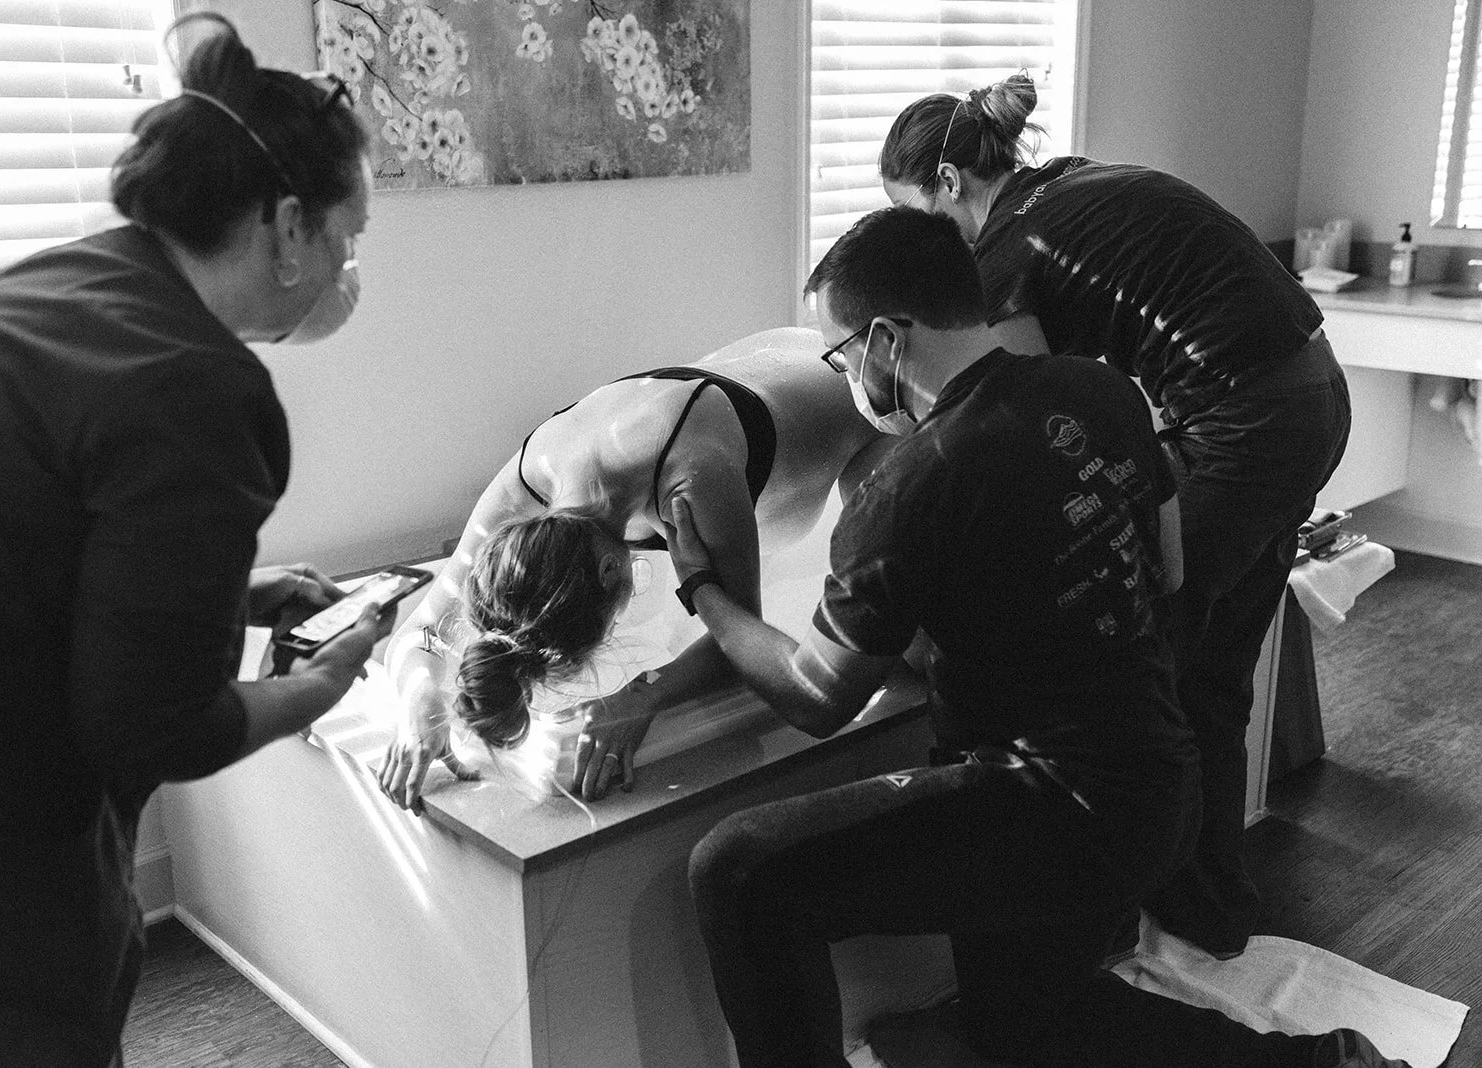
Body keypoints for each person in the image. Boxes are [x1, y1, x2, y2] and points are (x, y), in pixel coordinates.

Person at [668, 207, 1406, 1068]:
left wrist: (704, 588)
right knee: (1024, 1032)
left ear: (885, 341)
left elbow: (817, 696)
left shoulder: (909, 484)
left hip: (1054, 808)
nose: (845, 381)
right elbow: (1168, 569)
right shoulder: (1101, 390)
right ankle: (1334, 1062)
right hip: (1163, 785)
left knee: (738, 868)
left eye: (838, 357)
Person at [0, 14, 386, 1065]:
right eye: (348, 236)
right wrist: (318, 688)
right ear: (289, 227)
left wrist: (228, 596)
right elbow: (151, 728)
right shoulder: (197, 385)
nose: (348, 264)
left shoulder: (80, 282)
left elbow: (25, 525)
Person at [878, 73, 1352, 959]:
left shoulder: (1007, 246)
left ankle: (1105, 916)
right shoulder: (1071, 181)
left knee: (1135, 668)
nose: (924, 245)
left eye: (916, 215)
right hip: (1312, 392)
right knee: (1211, 674)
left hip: (1245, 421)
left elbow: (1009, 410)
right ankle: (1206, 904)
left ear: (949, 182)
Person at [378, 328, 905, 808]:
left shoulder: (691, 474)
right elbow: (424, 630)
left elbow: (743, 644)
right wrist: (419, 702)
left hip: (867, 405)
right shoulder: (527, 481)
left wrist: (641, 696)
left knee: (909, 647)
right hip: (775, 361)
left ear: (613, 571)